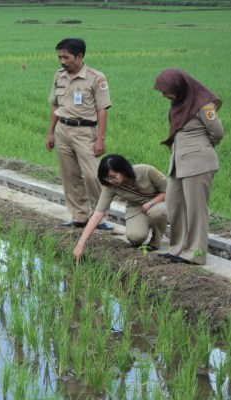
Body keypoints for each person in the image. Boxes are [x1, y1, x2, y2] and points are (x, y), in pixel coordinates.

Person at [154, 68, 224, 265]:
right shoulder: (179, 104)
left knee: (196, 209)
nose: (164, 95)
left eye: (166, 91)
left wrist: (199, 148)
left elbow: (217, 132)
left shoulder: (203, 105)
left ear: (179, 87)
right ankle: (178, 248)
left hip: (199, 163)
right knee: (175, 205)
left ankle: (195, 253)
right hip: (179, 162)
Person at [45, 37, 112, 230]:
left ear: (80, 56)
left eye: (66, 57)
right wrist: (50, 133)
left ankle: (98, 217)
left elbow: (102, 109)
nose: (62, 61)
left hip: (85, 131)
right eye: (60, 57)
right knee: (69, 175)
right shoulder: (59, 76)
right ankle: (79, 216)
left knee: (92, 175)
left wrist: (100, 138)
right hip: (62, 130)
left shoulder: (95, 77)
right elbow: (55, 105)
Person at [73, 154, 168, 261]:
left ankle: (156, 240)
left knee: (159, 212)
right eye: (106, 178)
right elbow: (97, 214)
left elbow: (168, 191)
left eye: (113, 177)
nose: (110, 181)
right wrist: (80, 244)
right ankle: (145, 225)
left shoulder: (147, 171)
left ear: (123, 171)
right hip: (136, 207)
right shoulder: (110, 186)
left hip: (158, 203)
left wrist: (151, 203)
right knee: (135, 237)